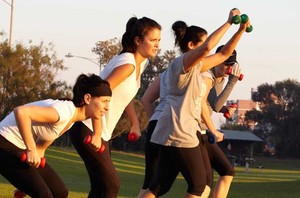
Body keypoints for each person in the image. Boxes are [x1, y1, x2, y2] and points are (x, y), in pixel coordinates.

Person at [138, 8, 251, 198]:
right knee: (199, 186)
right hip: (180, 131)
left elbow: (223, 54)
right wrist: (229, 23)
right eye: (201, 43)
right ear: (191, 46)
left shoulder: (198, 66)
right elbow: (208, 48)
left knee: (158, 187)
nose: (205, 48)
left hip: (173, 131)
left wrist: (240, 31)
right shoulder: (180, 65)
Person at [67, 16, 161, 198]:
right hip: (88, 128)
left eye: (159, 40)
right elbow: (98, 96)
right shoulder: (127, 65)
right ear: (138, 40)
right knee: (111, 186)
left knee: (101, 188)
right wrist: (96, 132)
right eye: (153, 40)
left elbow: (123, 96)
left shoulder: (139, 64)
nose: (157, 45)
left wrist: (134, 123)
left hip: (99, 131)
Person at [0, 73, 112, 198]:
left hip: (19, 148)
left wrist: (97, 134)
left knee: (60, 192)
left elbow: (41, 147)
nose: (107, 107)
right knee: (44, 195)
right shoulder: (64, 112)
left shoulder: (72, 117)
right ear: (87, 99)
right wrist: (31, 150)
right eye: (104, 101)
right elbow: (21, 112)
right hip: (4, 143)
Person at [200, 45, 242, 198]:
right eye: (225, 63)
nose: (228, 68)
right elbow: (215, 104)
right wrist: (232, 82)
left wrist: (224, 109)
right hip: (195, 132)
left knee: (227, 171)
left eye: (231, 65)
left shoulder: (220, 78)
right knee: (204, 182)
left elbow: (214, 104)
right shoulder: (207, 76)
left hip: (204, 131)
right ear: (216, 59)